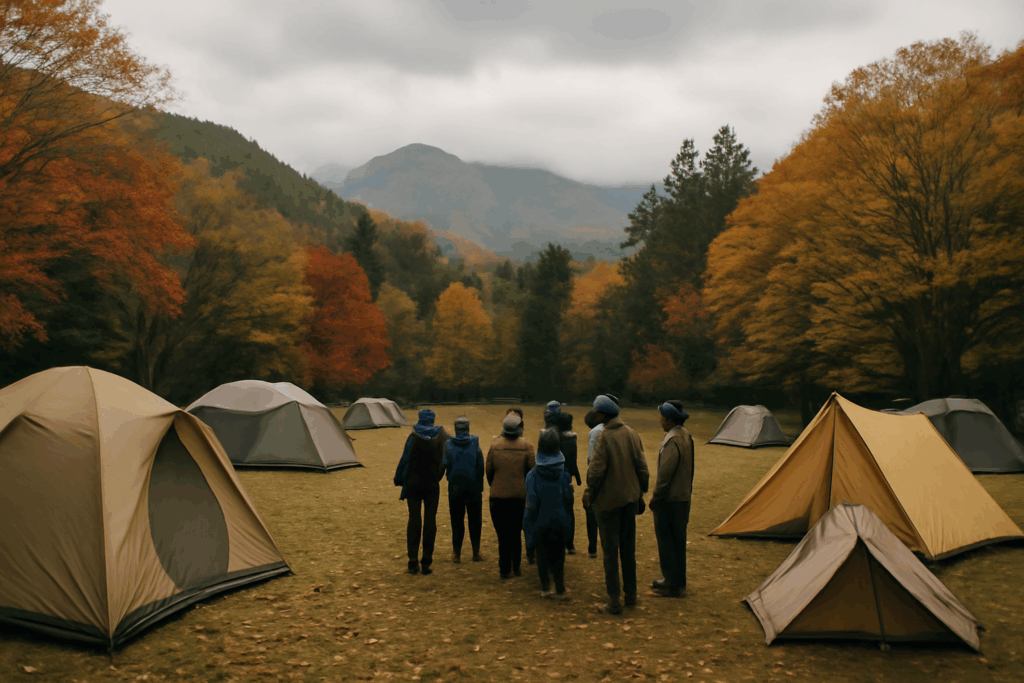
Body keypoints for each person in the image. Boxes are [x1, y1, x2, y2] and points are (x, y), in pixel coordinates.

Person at [584, 395, 649, 615]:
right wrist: (641, 491)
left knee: (610, 553)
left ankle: (614, 601)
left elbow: (595, 471)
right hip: (629, 500)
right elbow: (642, 466)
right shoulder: (632, 433)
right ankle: (631, 595)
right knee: (628, 550)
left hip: (608, 503)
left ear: (602, 414)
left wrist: (589, 491)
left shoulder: (605, 436)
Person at [394, 409, 449, 575]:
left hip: (413, 483)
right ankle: (426, 562)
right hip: (432, 483)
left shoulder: (413, 438)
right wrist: (438, 475)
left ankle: (412, 561)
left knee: (414, 519)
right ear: (432, 420)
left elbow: (405, 459)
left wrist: (398, 479)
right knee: (430, 521)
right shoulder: (441, 438)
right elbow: (444, 460)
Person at [650, 401, 694, 598]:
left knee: (666, 540)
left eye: (662, 417)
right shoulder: (686, 436)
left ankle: (671, 583)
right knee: (678, 540)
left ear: (668, 419)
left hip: (670, 499)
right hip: (683, 496)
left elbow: (665, 475)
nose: (660, 421)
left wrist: (656, 497)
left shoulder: (672, 439)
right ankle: (679, 580)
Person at [524, 428, 574, 600]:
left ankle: (545, 587)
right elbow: (568, 500)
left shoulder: (532, 476)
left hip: (540, 522)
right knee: (559, 556)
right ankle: (560, 588)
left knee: (542, 555)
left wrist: (528, 528)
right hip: (560, 521)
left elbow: (531, 505)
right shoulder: (564, 474)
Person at [486, 412, 536, 579]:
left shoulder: (495, 446)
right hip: (519, 497)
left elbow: (489, 472)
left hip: (498, 497)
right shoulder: (527, 446)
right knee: (515, 533)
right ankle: (516, 567)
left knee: (503, 535)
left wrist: (496, 485)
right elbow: (532, 472)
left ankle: (504, 569)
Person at [443, 416, 485, 564]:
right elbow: (480, 465)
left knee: (456, 521)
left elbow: (445, 463)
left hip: (455, 488)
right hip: (473, 488)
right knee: (475, 521)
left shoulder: (448, 444)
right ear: (468, 428)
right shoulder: (475, 442)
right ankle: (475, 552)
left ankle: (456, 554)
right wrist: (480, 486)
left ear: (456, 428)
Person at [553, 411, 581, 554]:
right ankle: (569, 544)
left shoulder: (552, 438)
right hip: (566, 477)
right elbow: (572, 462)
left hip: (553, 476)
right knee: (568, 510)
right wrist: (577, 477)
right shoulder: (571, 439)